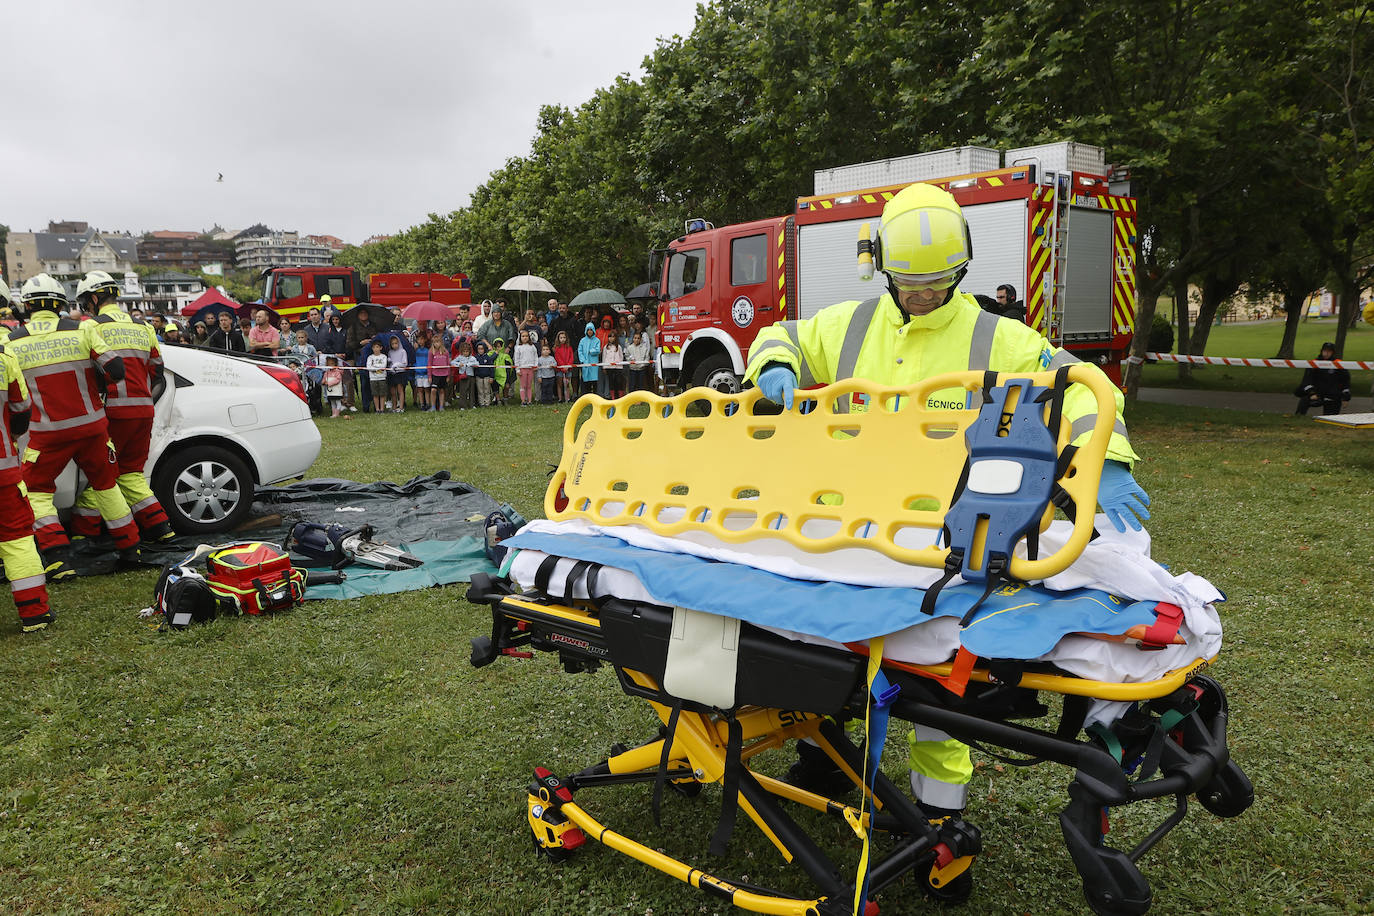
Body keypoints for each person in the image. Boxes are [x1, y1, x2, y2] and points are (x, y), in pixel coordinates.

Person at [745, 183, 1147, 821]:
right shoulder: (846, 327)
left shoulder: (1001, 340)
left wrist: (1110, 461)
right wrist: (773, 366)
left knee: (937, 690)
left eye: (940, 281)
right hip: (852, 533)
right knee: (823, 658)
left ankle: (940, 816)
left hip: (949, 540)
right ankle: (827, 761)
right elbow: (780, 335)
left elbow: (1082, 387)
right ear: (881, 266)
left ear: (963, 267)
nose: (925, 294)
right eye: (911, 282)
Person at [7, 274, 142, 579]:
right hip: (93, 428)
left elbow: (14, 394)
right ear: (60, 304)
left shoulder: (12, 341)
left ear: (27, 306)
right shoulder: (82, 329)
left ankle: (57, 558)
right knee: (106, 486)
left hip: (47, 434)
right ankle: (131, 549)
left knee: (38, 493)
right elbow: (117, 370)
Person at [68, 270, 177, 543]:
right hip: (144, 411)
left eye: (85, 302)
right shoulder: (145, 328)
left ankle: (85, 535)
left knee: (101, 477)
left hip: (112, 413)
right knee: (131, 475)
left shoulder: (91, 327)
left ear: (94, 298)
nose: (85, 307)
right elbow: (158, 371)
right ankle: (161, 528)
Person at [0, 285, 51, 630]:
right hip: (3, 472)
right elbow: (21, 409)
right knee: (17, 541)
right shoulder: (4, 360)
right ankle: (34, 613)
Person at [1294, 342, 1351, 415]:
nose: (1326, 353)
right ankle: (1299, 416)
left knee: (1331, 418)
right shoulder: (1314, 363)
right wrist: (1312, 393)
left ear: (1333, 353)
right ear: (1321, 351)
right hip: (1316, 394)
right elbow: (1306, 381)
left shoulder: (1339, 364)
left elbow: (1345, 382)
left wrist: (1346, 397)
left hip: (1332, 395)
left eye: (1329, 351)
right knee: (1304, 400)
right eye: (1325, 351)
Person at [577, 321, 602, 396]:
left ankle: (595, 396)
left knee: (594, 381)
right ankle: (586, 396)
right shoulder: (582, 340)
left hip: (594, 363)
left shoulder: (597, 340)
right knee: (585, 381)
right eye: (588, 330)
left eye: (591, 330)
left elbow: (598, 350)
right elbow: (580, 351)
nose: (590, 331)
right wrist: (582, 360)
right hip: (585, 363)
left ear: (593, 330)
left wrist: (590, 351)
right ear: (586, 331)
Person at [514, 330, 539, 406]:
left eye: (526, 336)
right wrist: (517, 369)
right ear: (520, 338)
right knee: (523, 385)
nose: (525, 338)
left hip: (530, 368)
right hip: (522, 368)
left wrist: (535, 365)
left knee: (529, 385)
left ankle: (529, 400)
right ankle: (523, 400)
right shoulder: (518, 347)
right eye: (523, 336)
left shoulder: (532, 347)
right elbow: (516, 359)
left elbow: (535, 356)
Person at [386, 334, 409, 412]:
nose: (394, 345)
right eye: (392, 344)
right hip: (392, 373)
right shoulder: (390, 352)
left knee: (400, 390)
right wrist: (389, 361)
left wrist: (398, 365)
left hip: (400, 373)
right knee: (392, 391)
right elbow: (390, 363)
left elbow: (405, 363)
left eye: (396, 343)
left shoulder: (403, 351)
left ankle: (401, 407)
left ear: (399, 343)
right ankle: (394, 407)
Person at [428, 333, 451, 410]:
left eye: (438, 342)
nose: (436, 344)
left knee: (441, 390)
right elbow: (429, 365)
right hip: (435, 374)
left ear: (441, 342)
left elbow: (448, 364)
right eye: (434, 342)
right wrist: (430, 376)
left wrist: (448, 376)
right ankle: (433, 406)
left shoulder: (445, 352)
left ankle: (441, 406)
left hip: (444, 375)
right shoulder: (431, 352)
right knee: (433, 390)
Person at [453, 339, 477, 409]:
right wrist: (458, 364)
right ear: (461, 351)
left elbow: (477, 363)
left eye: (467, 351)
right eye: (464, 351)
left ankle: (472, 405)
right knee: (463, 391)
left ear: (470, 351)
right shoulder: (460, 357)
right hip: (463, 376)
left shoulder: (472, 358)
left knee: (471, 391)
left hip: (471, 376)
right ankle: (462, 406)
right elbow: (452, 362)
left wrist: (470, 364)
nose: (465, 353)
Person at [366, 341, 388, 413]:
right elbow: (369, 367)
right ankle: (377, 409)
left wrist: (374, 367)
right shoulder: (370, 357)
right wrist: (377, 368)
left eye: (377, 347)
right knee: (375, 394)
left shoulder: (384, 357)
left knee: (382, 394)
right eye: (374, 347)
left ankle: (382, 409)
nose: (375, 349)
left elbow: (383, 366)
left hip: (382, 378)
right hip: (373, 378)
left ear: (381, 348)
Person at [554, 330, 575, 402]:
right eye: (561, 338)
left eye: (564, 337)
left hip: (568, 369)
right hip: (560, 369)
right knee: (559, 384)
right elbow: (558, 358)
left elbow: (571, 357)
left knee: (567, 384)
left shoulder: (569, 348)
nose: (563, 339)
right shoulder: (557, 348)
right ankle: (560, 398)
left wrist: (568, 366)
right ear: (558, 339)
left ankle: (568, 398)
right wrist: (563, 367)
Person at [473, 340, 495, 407]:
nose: (480, 350)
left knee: (487, 390)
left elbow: (491, 368)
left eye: (482, 349)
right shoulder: (475, 358)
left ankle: (487, 403)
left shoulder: (487, 357)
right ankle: (481, 403)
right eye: (479, 349)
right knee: (480, 391)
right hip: (478, 377)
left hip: (487, 377)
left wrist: (492, 377)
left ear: (484, 349)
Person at [492, 338, 514, 405]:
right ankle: (498, 399)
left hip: (505, 376)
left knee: (506, 386)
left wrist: (507, 378)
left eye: (499, 346)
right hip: (495, 375)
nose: (498, 348)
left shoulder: (506, 356)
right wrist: (495, 354)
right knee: (494, 385)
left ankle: (505, 399)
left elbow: (509, 368)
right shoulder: (491, 354)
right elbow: (490, 361)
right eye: (496, 347)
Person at [413, 332, 432, 410]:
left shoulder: (428, 350)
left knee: (427, 389)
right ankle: (422, 404)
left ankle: (428, 403)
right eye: (418, 339)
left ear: (425, 340)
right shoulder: (415, 350)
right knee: (419, 389)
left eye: (422, 339)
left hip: (425, 373)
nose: (420, 341)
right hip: (418, 372)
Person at [602, 335, 625, 399]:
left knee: (618, 381)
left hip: (617, 367)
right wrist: (604, 367)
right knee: (611, 382)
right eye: (609, 337)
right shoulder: (606, 347)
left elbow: (621, 356)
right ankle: (613, 397)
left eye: (613, 337)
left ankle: (620, 396)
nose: (611, 338)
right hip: (609, 367)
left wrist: (620, 365)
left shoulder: (619, 347)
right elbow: (604, 357)